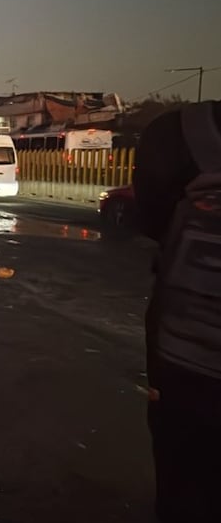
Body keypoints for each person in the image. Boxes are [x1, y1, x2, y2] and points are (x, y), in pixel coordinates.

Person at [133, 100, 221, 522]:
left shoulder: (176, 135)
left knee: (186, 487)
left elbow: (153, 223)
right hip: (189, 363)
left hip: (191, 359)